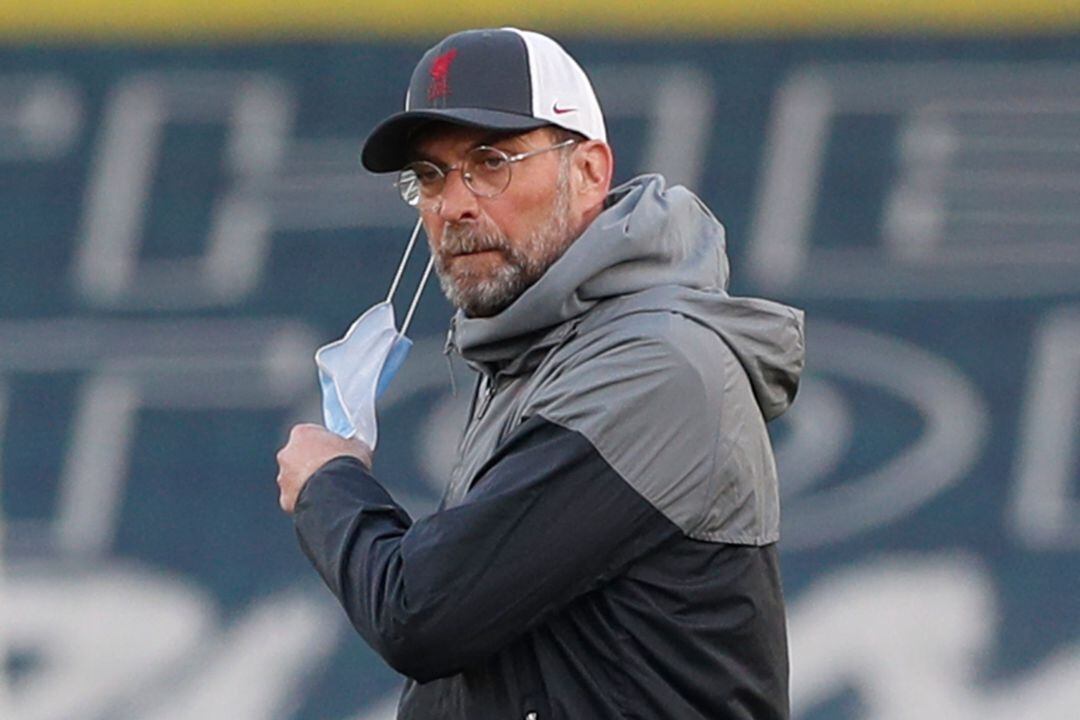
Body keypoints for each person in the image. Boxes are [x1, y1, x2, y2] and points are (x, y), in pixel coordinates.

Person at [276, 27, 805, 720]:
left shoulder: (655, 366)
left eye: (489, 161)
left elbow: (422, 613)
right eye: (430, 176)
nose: (454, 204)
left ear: (589, 170)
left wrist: (329, 483)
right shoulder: (540, 354)